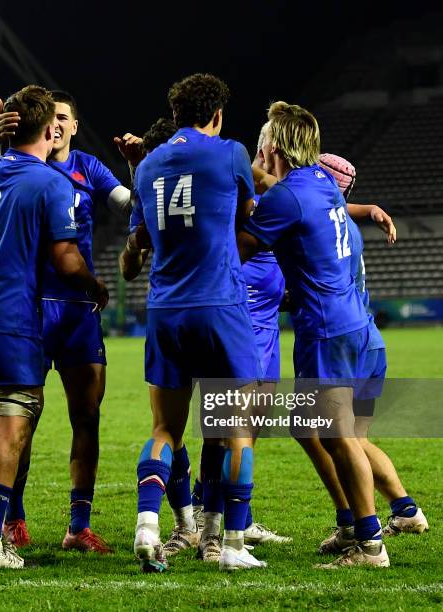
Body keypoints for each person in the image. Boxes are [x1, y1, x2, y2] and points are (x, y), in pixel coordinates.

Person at [0, 84, 107, 569]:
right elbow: (65, 257)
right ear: (47, 128)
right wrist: (94, 286)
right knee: (12, 429)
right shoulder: (52, 182)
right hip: (7, 318)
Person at [0, 90, 130, 552]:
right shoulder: (17, 163)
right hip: (29, 307)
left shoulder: (89, 168)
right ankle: (11, 519)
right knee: (18, 421)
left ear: (74, 125)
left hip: (78, 311)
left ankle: (78, 526)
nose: (58, 124)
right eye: (53, 117)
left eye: (66, 117)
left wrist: (141, 169)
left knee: (87, 417)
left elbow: (131, 205)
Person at [237, 101, 390, 568]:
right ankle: (352, 525)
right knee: (318, 429)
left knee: (338, 436)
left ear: (274, 147)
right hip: (356, 325)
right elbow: (312, 205)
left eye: (263, 141)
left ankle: (370, 544)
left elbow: (237, 250)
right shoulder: (320, 182)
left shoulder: (287, 198)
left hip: (325, 329)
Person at [128, 73, 266, 573]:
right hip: (219, 306)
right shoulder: (229, 153)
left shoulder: (146, 165)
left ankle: (148, 526)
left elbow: (140, 239)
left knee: (165, 427)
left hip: (165, 307)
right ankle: (231, 543)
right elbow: (250, 216)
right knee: (234, 428)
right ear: (217, 114)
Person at [293, 153, 428, 554]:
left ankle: (360, 530)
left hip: (339, 338)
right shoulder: (345, 226)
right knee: (355, 438)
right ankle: (404, 509)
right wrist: (367, 207)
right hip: (367, 339)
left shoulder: (319, 224)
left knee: (329, 433)